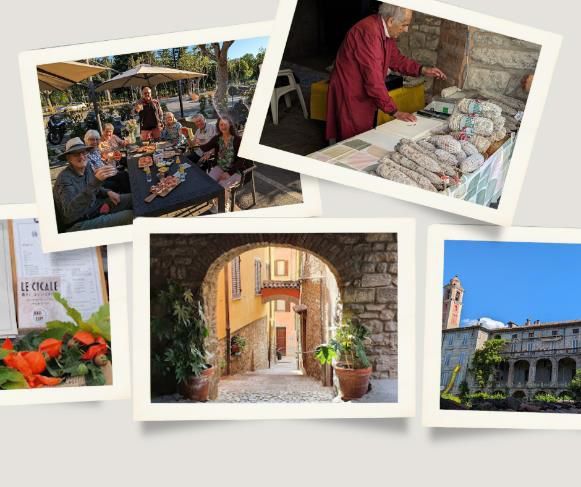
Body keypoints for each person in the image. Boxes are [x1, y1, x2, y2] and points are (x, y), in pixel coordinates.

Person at [326, 4, 447, 142]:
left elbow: (396, 59)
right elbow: (374, 80)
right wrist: (394, 111)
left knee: (364, 132)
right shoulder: (369, 33)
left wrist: (422, 69)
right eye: (404, 25)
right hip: (350, 90)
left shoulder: (383, 30)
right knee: (354, 139)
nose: (406, 30)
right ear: (390, 21)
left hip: (362, 89)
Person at [53, 137, 133, 232]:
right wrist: (96, 181)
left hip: (95, 208)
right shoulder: (65, 180)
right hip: (78, 223)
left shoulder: (87, 167)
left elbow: (95, 189)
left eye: (83, 152)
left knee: (134, 198)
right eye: (76, 154)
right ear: (69, 158)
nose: (82, 156)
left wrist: (107, 192)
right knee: (130, 216)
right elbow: (70, 213)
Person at [199, 115, 245, 190]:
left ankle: (223, 201)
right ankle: (215, 200)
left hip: (235, 171)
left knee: (221, 187)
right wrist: (190, 138)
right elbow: (205, 148)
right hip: (220, 167)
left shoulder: (237, 140)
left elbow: (241, 160)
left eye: (225, 124)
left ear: (230, 124)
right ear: (218, 126)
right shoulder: (217, 138)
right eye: (221, 124)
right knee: (208, 183)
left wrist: (229, 173)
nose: (223, 126)